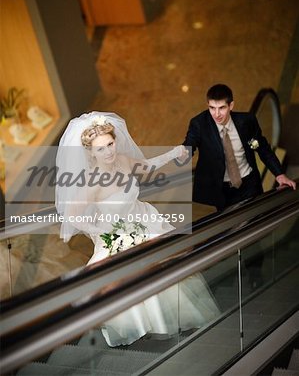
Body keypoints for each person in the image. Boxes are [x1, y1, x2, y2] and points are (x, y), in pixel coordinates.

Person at [55, 112, 219, 347]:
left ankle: (173, 321)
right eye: (100, 149)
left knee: (167, 268)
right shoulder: (91, 183)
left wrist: (174, 153)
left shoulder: (122, 160)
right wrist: (100, 230)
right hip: (118, 232)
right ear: (90, 152)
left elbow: (147, 166)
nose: (109, 152)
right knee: (135, 278)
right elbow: (70, 216)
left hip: (144, 218)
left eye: (110, 144)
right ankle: (149, 333)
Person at [179, 84, 296, 211]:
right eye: (212, 108)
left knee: (257, 216)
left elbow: (261, 148)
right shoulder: (199, 124)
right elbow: (190, 143)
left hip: (249, 184)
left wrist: (279, 174)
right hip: (221, 191)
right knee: (228, 225)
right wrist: (184, 153)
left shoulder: (246, 122)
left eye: (222, 108)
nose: (216, 114)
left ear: (231, 105)